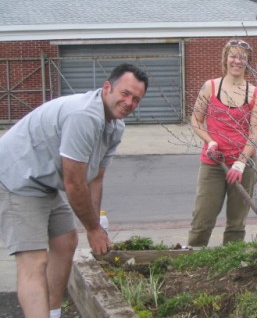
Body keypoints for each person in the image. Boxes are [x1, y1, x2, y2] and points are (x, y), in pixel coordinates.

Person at [0, 63, 148, 318]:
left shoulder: (115, 127)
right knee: (33, 260)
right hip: (15, 176)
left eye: (136, 99)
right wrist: (92, 229)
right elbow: (74, 182)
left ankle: (54, 313)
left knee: (66, 241)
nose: (129, 102)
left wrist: (97, 221)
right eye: (125, 93)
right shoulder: (84, 116)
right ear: (107, 88)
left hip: (43, 181)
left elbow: (95, 179)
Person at [188, 39, 257, 247]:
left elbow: (254, 131)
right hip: (213, 163)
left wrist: (241, 162)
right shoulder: (210, 87)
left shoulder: (256, 94)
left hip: (244, 166)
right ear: (225, 58)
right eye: (233, 55)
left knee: (236, 223)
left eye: (242, 57)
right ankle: (192, 261)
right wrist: (210, 141)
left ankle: (231, 264)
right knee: (202, 220)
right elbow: (196, 120)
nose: (237, 61)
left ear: (248, 62)